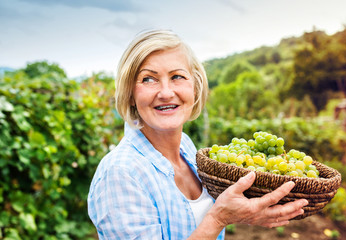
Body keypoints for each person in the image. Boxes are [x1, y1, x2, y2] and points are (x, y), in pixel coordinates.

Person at [87, 29, 309, 240]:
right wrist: (218, 219)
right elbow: (212, 221)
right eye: (148, 79)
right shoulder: (120, 173)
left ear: (195, 86)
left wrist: (244, 212)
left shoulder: (185, 147)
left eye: (177, 76)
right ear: (130, 93)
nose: (165, 92)